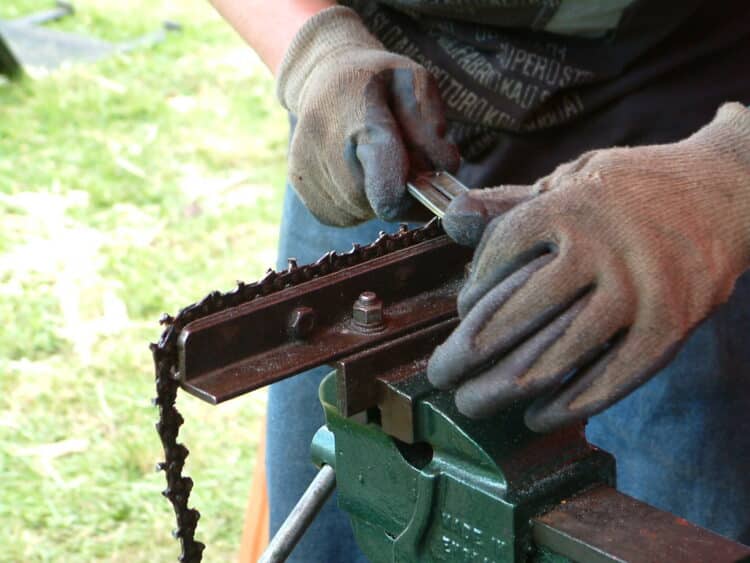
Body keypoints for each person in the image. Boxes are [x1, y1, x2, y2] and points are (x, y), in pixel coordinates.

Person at [210, 1, 750, 560]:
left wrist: (728, 179)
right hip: (373, 115)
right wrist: (315, 49)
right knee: (339, 521)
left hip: (688, 111)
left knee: (680, 519)